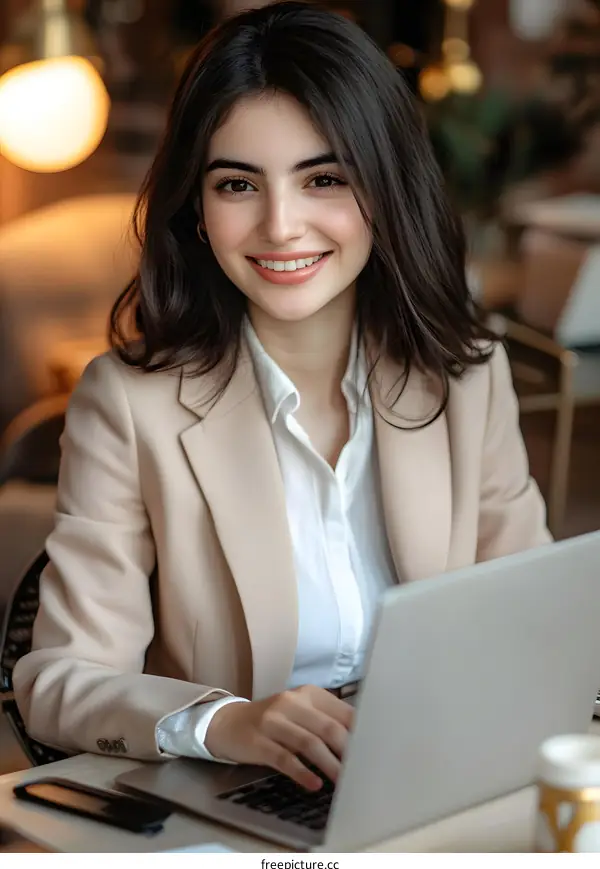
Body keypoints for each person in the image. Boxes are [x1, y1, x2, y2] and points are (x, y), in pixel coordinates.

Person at [13, 1, 550, 792]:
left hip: (440, 781)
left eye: (323, 178)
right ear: (196, 209)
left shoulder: (467, 376)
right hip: (238, 803)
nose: (281, 225)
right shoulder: (130, 403)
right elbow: (59, 680)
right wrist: (226, 721)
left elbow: (534, 617)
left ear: (384, 190)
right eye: (238, 184)